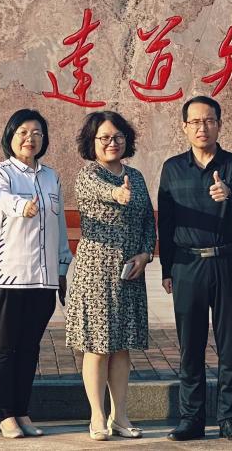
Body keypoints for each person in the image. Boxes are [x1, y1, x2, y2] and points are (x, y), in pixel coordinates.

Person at [159, 95, 232, 442]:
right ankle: (191, 419)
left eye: (209, 120)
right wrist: (167, 268)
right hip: (187, 265)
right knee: (190, 346)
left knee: (230, 345)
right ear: (185, 127)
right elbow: (166, 222)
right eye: (195, 122)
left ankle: (230, 420)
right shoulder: (172, 168)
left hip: (228, 262)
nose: (203, 127)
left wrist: (228, 191)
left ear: (219, 125)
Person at [65, 110, 156, 441]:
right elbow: (104, 192)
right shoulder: (87, 175)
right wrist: (118, 194)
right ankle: (97, 416)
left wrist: (146, 254)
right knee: (97, 345)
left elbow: (148, 222)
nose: (111, 143)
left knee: (121, 347)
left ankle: (121, 416)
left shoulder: (137, 177)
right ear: (92, 142)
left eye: (117, 137)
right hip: (96, 272)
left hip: (130, 273)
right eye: (104, 138)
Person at [0, 108, 70, 438]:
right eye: (22, 132)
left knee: (30, 348)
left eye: (36, 133)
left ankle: (22, 411)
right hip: (10, 276)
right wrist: (23, 206)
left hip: (44, 279)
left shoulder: (51, 177)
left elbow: (60, 227)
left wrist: (62, 268)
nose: (29, 139)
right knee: (5, 348)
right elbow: (0, 200)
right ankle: (5, 413)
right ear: (10, 135)